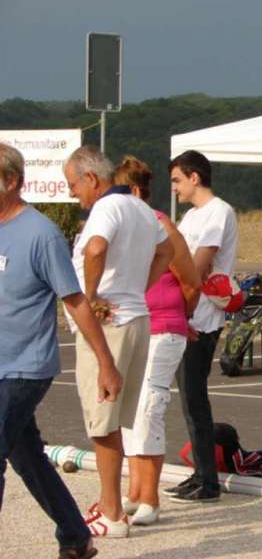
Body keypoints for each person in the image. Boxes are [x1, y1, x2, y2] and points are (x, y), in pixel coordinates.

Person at [0, 143, 119, 558]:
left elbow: (76, 301)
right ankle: (75, 536)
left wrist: (106, 364)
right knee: (26, 454)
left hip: (24, 367)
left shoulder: (40, 234)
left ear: (11, 182)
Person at [63, 145, 173, 538]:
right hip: (136, 317)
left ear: (91, 178)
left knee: (102, 419)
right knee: (111, 418)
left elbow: (95, 248)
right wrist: (138, 287)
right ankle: (110, 501)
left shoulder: (107, 208)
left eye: (73, 185)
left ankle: (111, 511)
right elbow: (168, 251)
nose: (74, 194)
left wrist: (90, 297)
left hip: (110, 322)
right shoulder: (141, 207)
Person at [114, 156, 201, 524]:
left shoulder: (162, 225)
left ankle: (150, 497)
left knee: (149, 406)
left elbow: (191, 282)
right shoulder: (125, 227)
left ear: (134, 191)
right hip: (135, 324)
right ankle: (135, 490)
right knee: (130, 408)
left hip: (164, 325)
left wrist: (182, 315)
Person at [165, 150, 238, 503]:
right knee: (189, 401)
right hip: (184, 315)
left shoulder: (218, 213)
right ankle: (201, 473)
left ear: (195, 177)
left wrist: (180, 298)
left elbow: (196, 267)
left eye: (178, 180)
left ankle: (208, 480)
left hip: (202, 318)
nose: (174, 188)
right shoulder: (192, 217)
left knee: (195, 400)